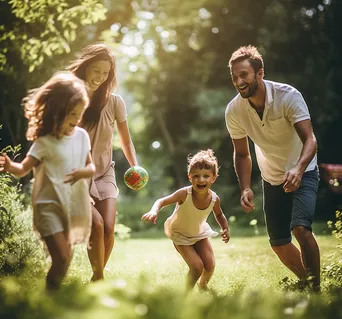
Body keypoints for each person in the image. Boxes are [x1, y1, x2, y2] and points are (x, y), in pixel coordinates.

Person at [225, 45, 320, 290]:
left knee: (300, 228)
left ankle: (317, 290)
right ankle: (306, 283)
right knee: (278, 243)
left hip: (304, 170)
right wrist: (245, 187)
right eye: (235, 77)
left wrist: (298, 169)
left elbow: (310, 139)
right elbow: (242, 153)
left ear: (260, 73)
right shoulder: (234, 110)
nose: (239, 81)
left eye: (244, 75)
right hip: (271, 176)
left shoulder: (288, 96)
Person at [0, 72, 95, 290]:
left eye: (80, 114)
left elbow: (92, 167)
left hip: (71, 206)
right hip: (48, 206)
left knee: (65, 260)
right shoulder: (44, 143)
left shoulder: (81, 136)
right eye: (72, 113)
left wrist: (82, 172)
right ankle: (48, 303)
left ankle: (51, 299)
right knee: (61, 257)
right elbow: (23, 169)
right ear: (57, 112)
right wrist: (8, 166)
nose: (77, 119)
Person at [66, 44, 139, 281]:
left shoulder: (115, 102)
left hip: (105, 172)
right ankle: (99, 278)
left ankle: (96, 277)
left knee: (108, 228)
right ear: (85, 67)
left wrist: (134, 166)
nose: (100, 77)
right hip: (78, 173)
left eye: (105, 73)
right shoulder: (71, 98)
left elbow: (126, 141)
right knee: (95, 226)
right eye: (96, 70)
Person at [142, 149, 230, 290]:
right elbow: (162, 201)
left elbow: (219, 215)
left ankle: (203, 286)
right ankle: (185, 294)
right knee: (197, 267)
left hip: (198, 233)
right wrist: (154, 210)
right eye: (196, 176)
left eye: (206, 176)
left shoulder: (214, 199)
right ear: (190, 177)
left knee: (210, 264)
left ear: (213, 178)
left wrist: (225, 228)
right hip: (180, 234)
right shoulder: (184, 193)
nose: (201, 180)